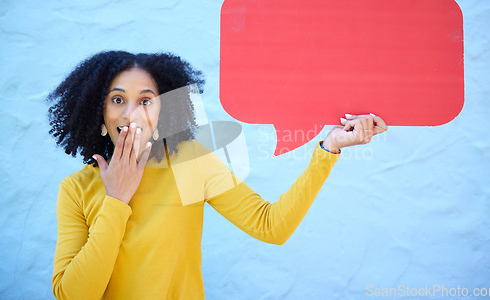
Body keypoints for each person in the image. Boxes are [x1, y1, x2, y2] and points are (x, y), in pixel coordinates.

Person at [48, 50, 387, 299]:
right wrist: (117, 201)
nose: (132, 113)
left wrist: (328, 148)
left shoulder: (191, 164)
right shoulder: (76, 189)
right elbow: (72, 294)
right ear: (97, 109)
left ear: (164, 109)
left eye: (146, 101)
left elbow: (272, 227)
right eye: (117, 99)